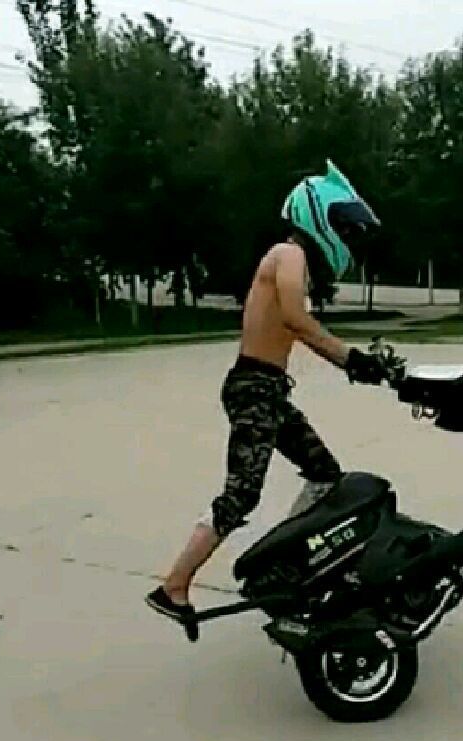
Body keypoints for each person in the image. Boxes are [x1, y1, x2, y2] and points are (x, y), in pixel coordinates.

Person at [146, 160, 387, 624]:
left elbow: (297, 323)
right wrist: (351, 360)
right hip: (253, 389)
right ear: (318, 215)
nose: (346, 238)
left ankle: (288, 560)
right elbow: (296, 319)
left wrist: (363, 363)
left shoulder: (296, 262)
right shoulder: (287, 254)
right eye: (343, 227)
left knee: (325, 475)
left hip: (269, 391)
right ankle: (174, 586)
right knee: (241, 495)